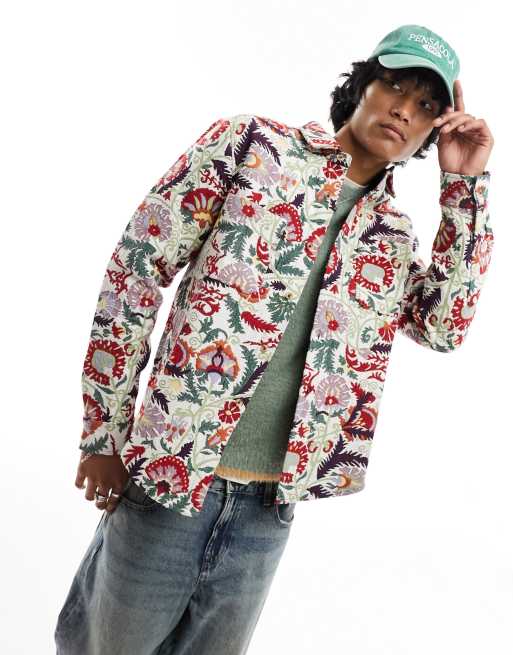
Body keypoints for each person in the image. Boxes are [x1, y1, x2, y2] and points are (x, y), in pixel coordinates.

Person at [55, 24, 494, 655]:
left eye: (427, 105)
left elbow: (444, 327)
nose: (405, 109)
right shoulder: (250, 147)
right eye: (395, 86)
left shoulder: (392, 235)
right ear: (361, 87)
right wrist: (104, 432)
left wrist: (465, 189)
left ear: (433, 130)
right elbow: (136, 273)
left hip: (269, 510)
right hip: (170, 477)